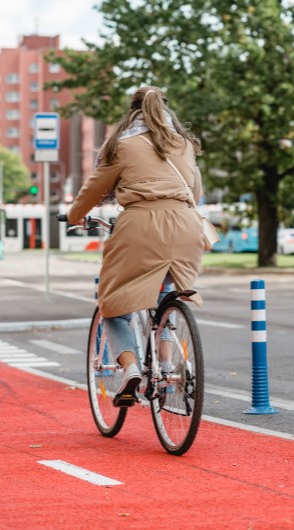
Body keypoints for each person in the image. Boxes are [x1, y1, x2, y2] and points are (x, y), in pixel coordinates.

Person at [67, 85, 206, 407]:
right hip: (187, 227)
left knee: (111, 302)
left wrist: (75, 216)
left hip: (141, 226)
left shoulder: (122, 145)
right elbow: (194, 190)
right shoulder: (183, 145)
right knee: (165, 297)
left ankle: (130, 369)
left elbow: (93, 189)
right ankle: (168, 365)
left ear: (131, 111)